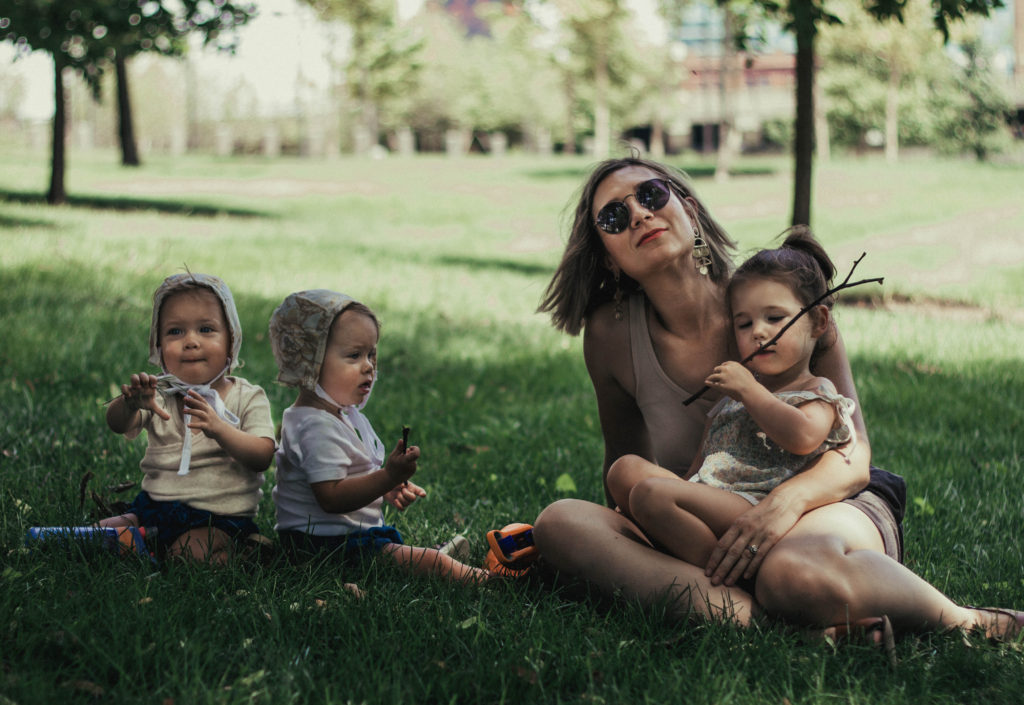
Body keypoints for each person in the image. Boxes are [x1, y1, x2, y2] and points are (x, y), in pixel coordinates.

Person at [532, 155, 1023, 639]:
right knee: (559, 524)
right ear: (607, 255)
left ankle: (968, 620)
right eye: (614, 216)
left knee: (791, 572)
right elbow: (624, 465)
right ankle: (773, 624)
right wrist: (622, 540)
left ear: (688, 207)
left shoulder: (777, 297)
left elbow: (852, 455)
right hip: (709, 519)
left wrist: (785, 504)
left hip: (824, 505)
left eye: (651, 195)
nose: (639, 214)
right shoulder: (609, 336)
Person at [616, 228, 859, 570]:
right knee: (624, 471)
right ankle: (677, 540)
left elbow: (803, 437)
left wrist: (749, 391)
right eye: (744, 324)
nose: (758, 331)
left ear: (818, 321)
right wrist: (683, 491)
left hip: (754, 504)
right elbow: (699, 468)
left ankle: (725, 572)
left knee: (650, 495)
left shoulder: (816, 392)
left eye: (774, 318)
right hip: (713, 496)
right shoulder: (732, 399)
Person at [268, 289, 488, 583]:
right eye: (355, 355)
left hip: (334, 540)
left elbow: (346, 479)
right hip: (324, 549)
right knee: (432, 562)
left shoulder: (330, 416)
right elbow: (331, 497)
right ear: (311, 363)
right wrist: (386, 477)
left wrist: (385, 488)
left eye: (371, 354)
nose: (369, 365)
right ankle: (495, 580)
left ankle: (424, 560)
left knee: (408, 558)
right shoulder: (315, 427)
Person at [101, 273, 276, 563]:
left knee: (189, 555)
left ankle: (246, 548)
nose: (191, 341)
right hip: (155, 508)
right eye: (175, 332)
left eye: (206, 329)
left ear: (232, 340)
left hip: (218, 516)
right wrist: (129, 405)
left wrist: (220, 430)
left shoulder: (247, 397)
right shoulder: (158, 393)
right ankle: (146, 544)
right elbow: (117, 424)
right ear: (158, 347)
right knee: (96, 535)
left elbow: (262, 456)